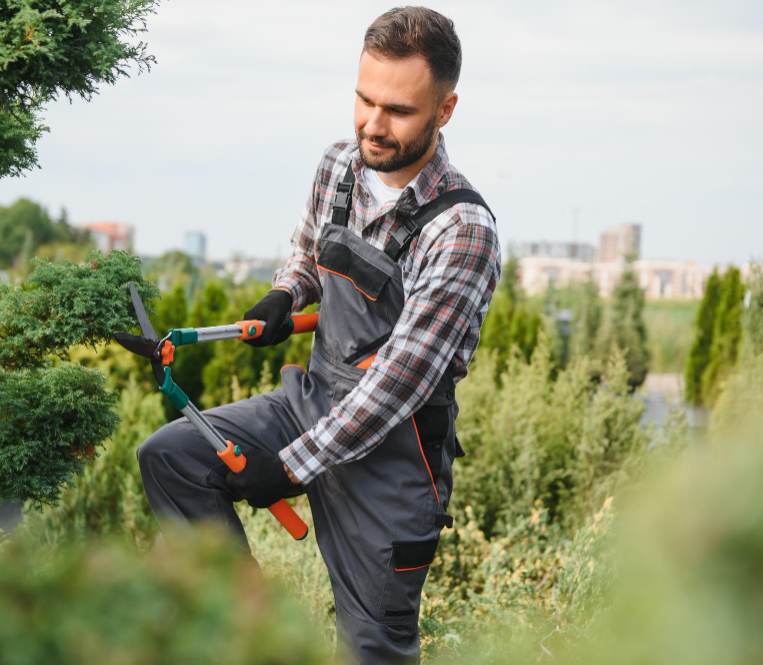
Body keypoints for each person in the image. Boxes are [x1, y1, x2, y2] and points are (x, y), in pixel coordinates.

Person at [137, 6, 501, 663]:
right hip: (312, 400)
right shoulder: (340, 164)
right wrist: (285, 292)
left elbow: (396, 385)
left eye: (398, 110)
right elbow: (308, 252)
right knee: (173, 457)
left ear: (444, 110)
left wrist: (289, 464)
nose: (373, 124)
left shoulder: (461, 229)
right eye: (363, 100)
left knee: (372, 649)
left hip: (394, 461)